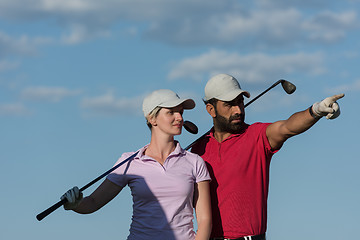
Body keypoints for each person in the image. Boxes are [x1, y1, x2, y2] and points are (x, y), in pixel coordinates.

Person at [190, 73, 344, 240]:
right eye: (229, 105)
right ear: (211, 109)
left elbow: (287, 127)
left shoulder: (257, 136)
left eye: (240, 102)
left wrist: (316, 110)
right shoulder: (199, 149)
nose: (238, 110)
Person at [61, 89, 212, 240]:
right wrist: (76, 204)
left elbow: (205, 220)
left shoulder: (194, 161)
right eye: (171, 112)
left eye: (181, 112)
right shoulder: (129, 162)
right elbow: (93, 202)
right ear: (152, 118)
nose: (179, 117)